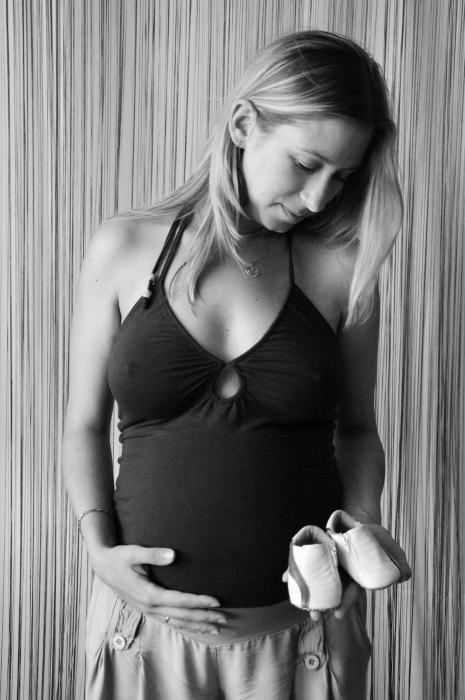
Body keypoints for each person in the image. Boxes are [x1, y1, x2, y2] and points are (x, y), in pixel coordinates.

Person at [62, 29, 403, 700]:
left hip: (301, 644)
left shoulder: (341, 271)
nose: (318, 198)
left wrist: (360, 529)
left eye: (341, 177)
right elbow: (83, 425)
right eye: (305, 164)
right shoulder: (123, 248)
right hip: (142, 637)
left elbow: (359, 430)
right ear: (244, 124)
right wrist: (99, 552)